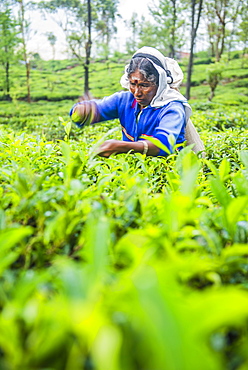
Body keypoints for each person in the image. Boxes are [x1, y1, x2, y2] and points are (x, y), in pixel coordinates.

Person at [70, 46, 204, 157]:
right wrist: (82, 111)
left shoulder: (172, 108)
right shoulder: (125, 101)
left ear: (160, 83)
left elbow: (163, 144)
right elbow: (97, 109)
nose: (137, 92)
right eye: (133, 84)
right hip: (136, 173)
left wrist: (122, 146)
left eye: (145, 85)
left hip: (170, 174)